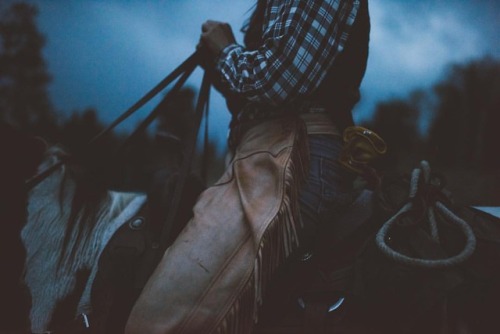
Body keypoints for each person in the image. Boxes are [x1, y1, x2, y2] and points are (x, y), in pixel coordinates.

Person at [125, 0, 371, 333]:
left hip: (293, 154)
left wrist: (226, 50)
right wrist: (219, 62)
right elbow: (259, 94)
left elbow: (279, 82)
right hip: (262, 152)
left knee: (158, 318)